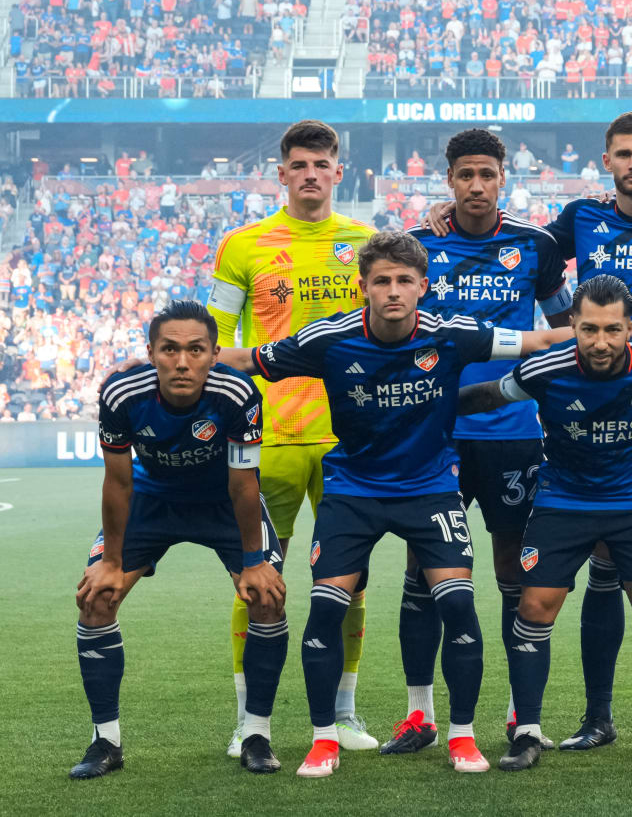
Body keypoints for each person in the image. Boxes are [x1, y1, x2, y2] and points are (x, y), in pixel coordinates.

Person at [217, 232, 579, 777]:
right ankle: (323, 740)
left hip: (429, 489)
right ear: (362, 286)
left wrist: (619, 333)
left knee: (457, 602)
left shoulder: (453, 336)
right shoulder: (328, 339)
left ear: (423, 287)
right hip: (352, 491)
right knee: (326, 606)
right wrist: (173, 356)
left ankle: (460, 736)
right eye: (381, 281)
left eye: (404, 281)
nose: (393, 291)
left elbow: (533, 340)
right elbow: (246, 357)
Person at [424, 111, 632, 750]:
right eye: (623, 153)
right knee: (604, 564)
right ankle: (598, 717)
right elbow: (517, 246)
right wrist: (447, 212)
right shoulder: (577, 223)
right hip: (595, 400)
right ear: (608, 160)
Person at [457, 275, 632, 772]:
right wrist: (426, 398)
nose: (600, 342)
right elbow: (489, 397)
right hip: (563, 500)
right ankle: (527, 732)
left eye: (612, 329)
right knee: (534, 605)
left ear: (631, 326)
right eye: (587, 329)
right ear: (571, 326)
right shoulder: (545, 368)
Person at [387, 129, 571, 753]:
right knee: (425, 569)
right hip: (434, 435)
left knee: (513, 568)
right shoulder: (421, 245)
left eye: (486, 174)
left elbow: (566, 326)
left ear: (502, 178)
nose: (475, 185)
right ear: (449, 180)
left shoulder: (536, 246)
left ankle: (523, 717)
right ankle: (420, 715)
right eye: (464, 174)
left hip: (512, 433)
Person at [207, 120, 378, 756]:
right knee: (255, 576)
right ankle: (250, 721)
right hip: (267, 434)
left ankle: (345, 712)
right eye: (299, 164)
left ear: (340, 171)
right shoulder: (243, 246)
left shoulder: (367, 242)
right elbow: (217, 338)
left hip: (349, 435)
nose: (311, 173)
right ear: (281, 173)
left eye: (322, 163)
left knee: (349, 579)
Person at [72, 301, 287, 779]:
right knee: (97, 599)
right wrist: (110, 559)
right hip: (151, 501)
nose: (183, 362)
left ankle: (257, 734)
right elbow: (118, 483)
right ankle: (105, 742)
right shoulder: (122, 393)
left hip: (223, 504)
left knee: (267, 598)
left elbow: (243, 482)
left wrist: (253, 560)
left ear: (214, 354)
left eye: (196, 349)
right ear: (151, 352)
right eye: (170, 349)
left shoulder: (237, 392)